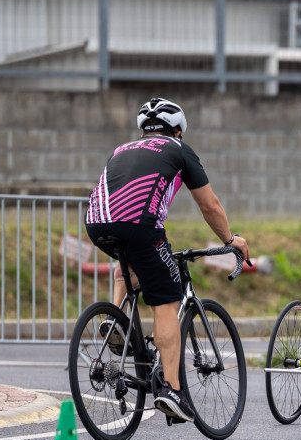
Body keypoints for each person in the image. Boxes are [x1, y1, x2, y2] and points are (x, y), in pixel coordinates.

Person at [85, 97, 250, 423]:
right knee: (166, 300)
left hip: (96, 223)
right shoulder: (178, 149)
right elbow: (210, 205)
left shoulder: (121, 150)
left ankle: (116, 317)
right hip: (140, 226)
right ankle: (172, 389)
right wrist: (230, 240)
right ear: (177, 131)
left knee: (130, 263)